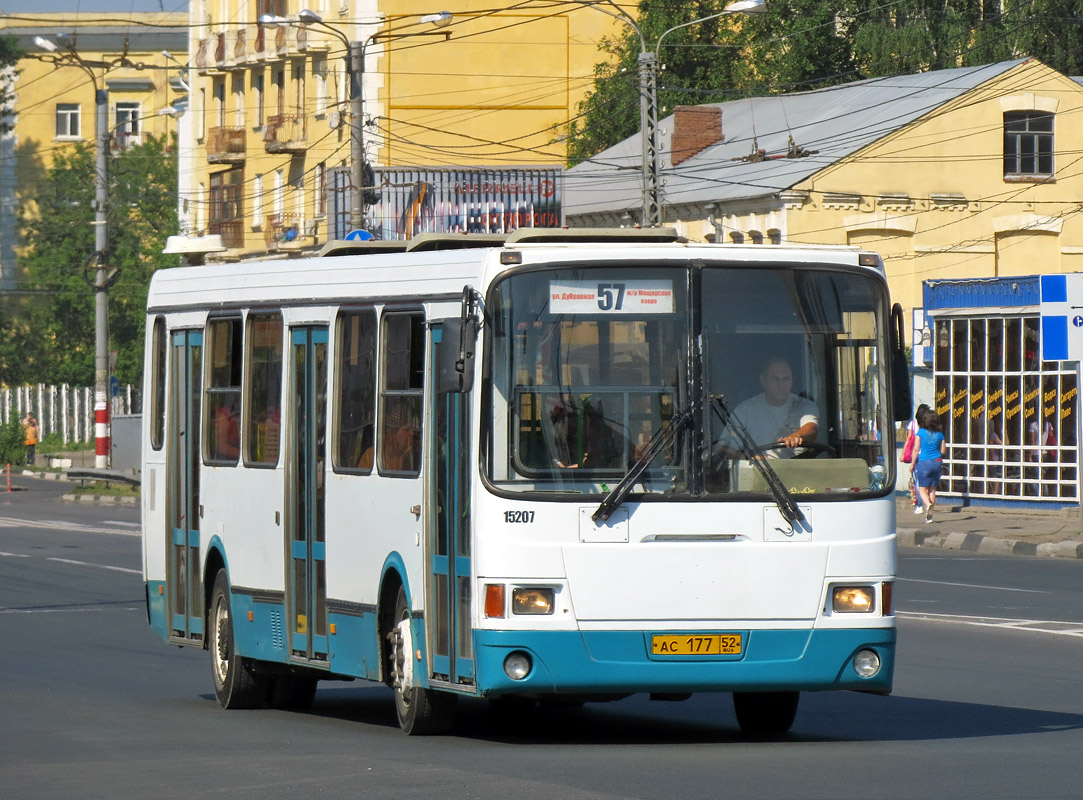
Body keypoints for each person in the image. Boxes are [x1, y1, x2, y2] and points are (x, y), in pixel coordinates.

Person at [715, 356, 819, 458]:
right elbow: (724, 449)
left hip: (797, 472)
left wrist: (797, 435)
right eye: (775, 379)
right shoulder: (745, 410)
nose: (781, 384)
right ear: (763, 380)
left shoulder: (804, 406)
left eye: (786, 379)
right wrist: (751, 459)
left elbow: (811, 429)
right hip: (756, 473)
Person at [910, 407, 946, 523]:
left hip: (924, 462)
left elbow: (916, 449)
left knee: (922, 489)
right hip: (937, 462)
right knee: (932, 490)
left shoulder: (921, 432)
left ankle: (928, 504)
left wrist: (912, 464)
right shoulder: (940, 435)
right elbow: (943, 451)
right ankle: (929, 516)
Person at [903, 404, 930, 514]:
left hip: (918, 456)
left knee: (918, 482)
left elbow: (909, 439)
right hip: (929, 456)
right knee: (929, 484)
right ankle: (929, 503)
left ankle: (920, 505)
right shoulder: (929, 426)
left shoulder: (913, 424)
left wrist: (904, 453)